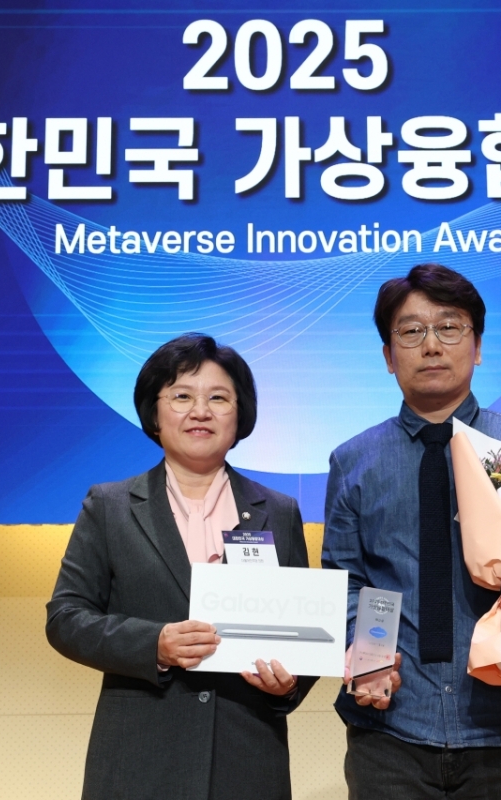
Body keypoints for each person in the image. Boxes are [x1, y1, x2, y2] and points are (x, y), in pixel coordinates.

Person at [322, 264, 501, 800]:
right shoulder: (354, 460)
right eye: (411, 331)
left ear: (478, 347)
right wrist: (367, 655)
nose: (431, 345)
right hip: (391, 728)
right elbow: (346, 582)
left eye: (449, 327)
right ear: (388, 356)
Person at [47, 333, 317, 800]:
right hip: (139, 761)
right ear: (154, 413)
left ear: (240, 414)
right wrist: (154, 644)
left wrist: (289, 684)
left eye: (219, 398)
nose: (200, 411)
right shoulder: (110, 507)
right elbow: (66, 618)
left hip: (246, 759)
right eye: (182, 396)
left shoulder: (279, 511)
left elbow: (302, 629)